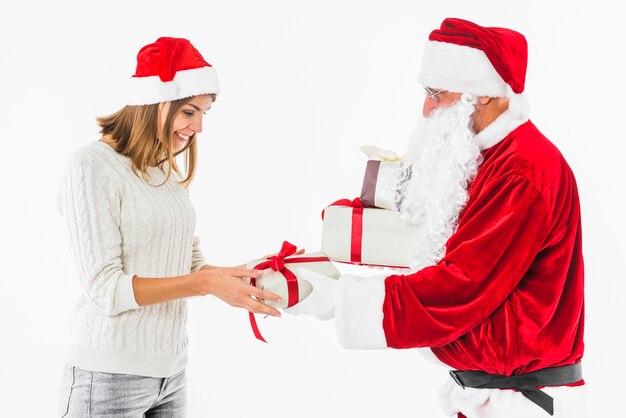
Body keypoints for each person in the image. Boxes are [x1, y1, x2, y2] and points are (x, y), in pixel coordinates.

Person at [285, 18, 587, 418]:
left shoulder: (522, 171)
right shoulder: (490, 158)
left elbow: (460, 287)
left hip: (515, 402)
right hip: (484, 391)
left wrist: (328, 298)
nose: (426, 110)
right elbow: (447, 242)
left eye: (435, 94)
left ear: (480, 95)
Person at [56, 37, 282, 418]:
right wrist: (207, 284)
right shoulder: (91, 166)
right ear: (153, 103)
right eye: (189, 112)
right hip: (108, 379)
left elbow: (187, 263)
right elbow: (106, 289)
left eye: (204, 114)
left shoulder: (161, 169)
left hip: (170, 375)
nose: (198, 127)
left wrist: (237, 276)